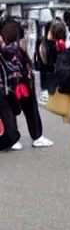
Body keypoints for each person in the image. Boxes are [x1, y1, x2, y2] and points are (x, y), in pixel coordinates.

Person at [0, 18, 53, 150]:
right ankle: (37, 136)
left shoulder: (4, 50)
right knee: (30, 109)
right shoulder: (18, 50)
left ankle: (13, 139)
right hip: (21, 84)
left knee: (8, 113)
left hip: (7, 86)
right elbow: (25, 66)